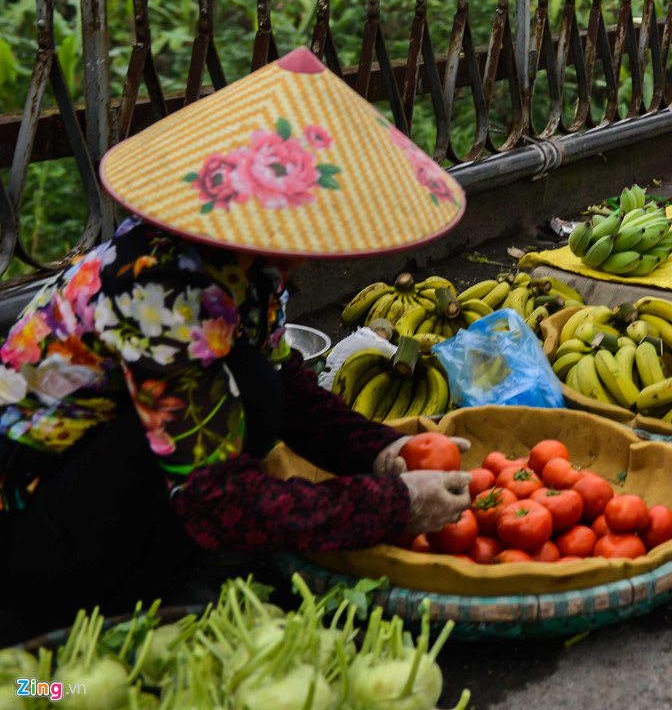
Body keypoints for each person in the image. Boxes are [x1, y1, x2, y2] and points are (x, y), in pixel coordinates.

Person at [0, 48, 474, 642]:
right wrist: (390, 504)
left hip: (103, 474)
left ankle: (154, 571)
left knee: (260, 385)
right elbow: (213, 497)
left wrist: (379, 451)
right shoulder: (158, 289)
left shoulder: (247, 269)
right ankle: (79, 629)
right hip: (31, 519)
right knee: (49, 682)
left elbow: (286, 385)